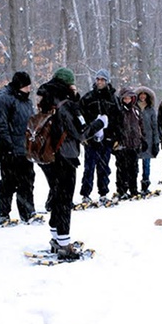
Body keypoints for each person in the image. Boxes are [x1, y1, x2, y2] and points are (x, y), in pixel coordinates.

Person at [36, 68, 104, 260]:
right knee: (64, 199)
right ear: (68, 84)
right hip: (65, 155)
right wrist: (100, 123)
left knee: (57, 195)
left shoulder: (45, 99)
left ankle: (56, 238)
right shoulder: (67, 103)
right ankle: (65, 245)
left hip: (47, 155)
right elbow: (81, 132)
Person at [0, 71, 36, 224]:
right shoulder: (3, 101)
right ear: (19, 86)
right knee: (8, 182)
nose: (29, 89)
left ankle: (28, 212)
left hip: (25, 149)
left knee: (27, 181)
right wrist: (8, 144)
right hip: (8, 149)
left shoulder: (26, 102)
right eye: (26, 86)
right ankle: (3, 213)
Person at [78, 69, 120, 204]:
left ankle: (103, 193)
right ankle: (85, 194)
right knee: (88, 168)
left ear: (107, 82)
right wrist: (83, 134)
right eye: (98, 79)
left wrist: (116, 137)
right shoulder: (88, 97)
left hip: (107, 139)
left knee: (104, 168)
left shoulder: (113, 98)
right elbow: (80, 116)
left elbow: (118, 119)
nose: (100, 82)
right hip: (90, 138)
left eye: (102, 79)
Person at [113, 86, 144, 199]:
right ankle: (122, 190)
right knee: (122, 169)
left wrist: (142, 139)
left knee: (134, 169)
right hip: (122, 145)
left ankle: (133, 189)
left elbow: (140, 125)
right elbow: (115, 127)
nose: (127, 100)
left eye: (129, 98)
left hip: (134, 144)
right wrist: (116, 140)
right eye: (125, 98)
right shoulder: (119, 111)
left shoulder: (135, 110)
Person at [135, 86, 159, 196]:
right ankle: (133, 186)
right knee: (134, 164)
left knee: (146, 164)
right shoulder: (134, 108)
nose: (143, 96)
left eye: (145, 94)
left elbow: (155, 126)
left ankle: (145, 184)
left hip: (148, 139)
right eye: (141, 94)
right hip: (136, 139)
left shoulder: (150, 109)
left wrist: (156, 142)